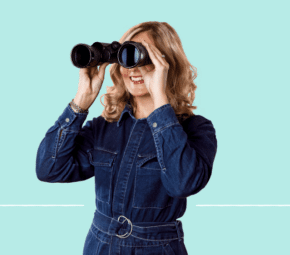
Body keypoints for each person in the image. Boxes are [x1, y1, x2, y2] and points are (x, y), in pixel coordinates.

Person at [35, 21, 217, 255]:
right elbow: (48, 169)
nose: (133, 67)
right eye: (125, 56)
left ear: (166, 64)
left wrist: (160, 101)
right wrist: (81, 100)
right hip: (98, 246)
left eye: (142, 56)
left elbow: (181, 183)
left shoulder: (197, 129)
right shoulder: (104, 127)